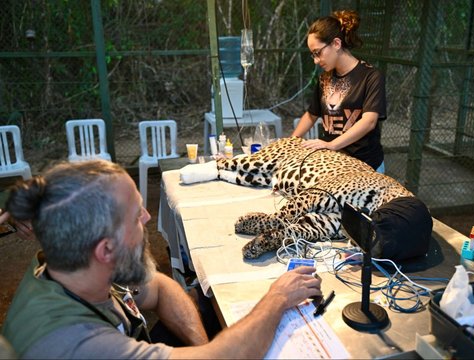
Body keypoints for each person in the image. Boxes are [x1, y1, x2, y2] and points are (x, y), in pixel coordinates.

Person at [2, 160, 322, 359]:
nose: (147, 217)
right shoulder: (75, 343)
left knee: (201, 300)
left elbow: (159, 289)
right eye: (134, 215)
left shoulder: (75, 265)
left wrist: (201, 348)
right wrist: (277, 298)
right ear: (106, 250)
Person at [292, 10, 387, 173]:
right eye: (312, 55)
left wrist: (331, 145)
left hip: (365, 166)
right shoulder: (324, 79)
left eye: (318, 53)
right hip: (332, 163)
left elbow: (369, 121)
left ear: (336, 44)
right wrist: (292, 141)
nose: (316, 60)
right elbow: (311, 115)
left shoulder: (370, 76)